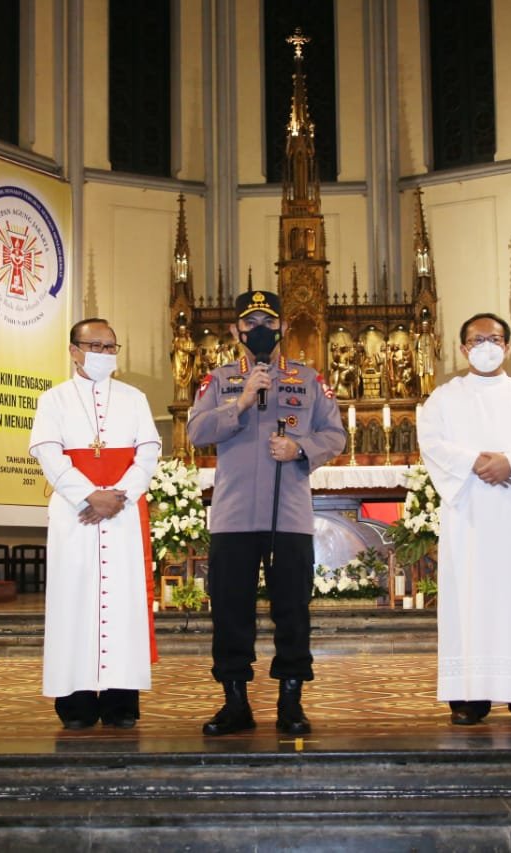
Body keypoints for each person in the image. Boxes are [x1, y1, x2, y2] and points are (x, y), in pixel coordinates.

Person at [187, 290, 346, 736]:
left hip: (288, 516)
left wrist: (300, 448)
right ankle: (235, 702)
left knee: (293, 611)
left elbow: (335, 434)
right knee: (230, 612)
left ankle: (290, 701)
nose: (260, 330)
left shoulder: (309, 378)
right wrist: (239, 403)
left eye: (269, 323)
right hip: (234, 517)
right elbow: (197, 431)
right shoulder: (217, 380)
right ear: (237, 330)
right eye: (251, 322)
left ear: (281, 328)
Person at [417, 313, 511, 726]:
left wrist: (510, 463)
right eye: (477, 339)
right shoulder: (443, 399)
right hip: (470, 515)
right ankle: (471, 693)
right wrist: (476, 464)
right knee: (471, 600)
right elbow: (431, 442)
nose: (486, 346)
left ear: (509, 346)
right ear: (463, 349)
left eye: (495, 338)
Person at [29, 319, 161, 729]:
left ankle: (122, 701)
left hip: (122, 516)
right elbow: (48, 452)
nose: (105, 354)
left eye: (111, 347)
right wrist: (89, 495)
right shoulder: (54, 400)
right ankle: (77, 702)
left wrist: (117, 496)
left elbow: (149, 451)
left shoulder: (134, 398)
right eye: (96, 346)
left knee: (123, 606)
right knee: (74, 603)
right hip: (75, 515)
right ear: (74, 350)